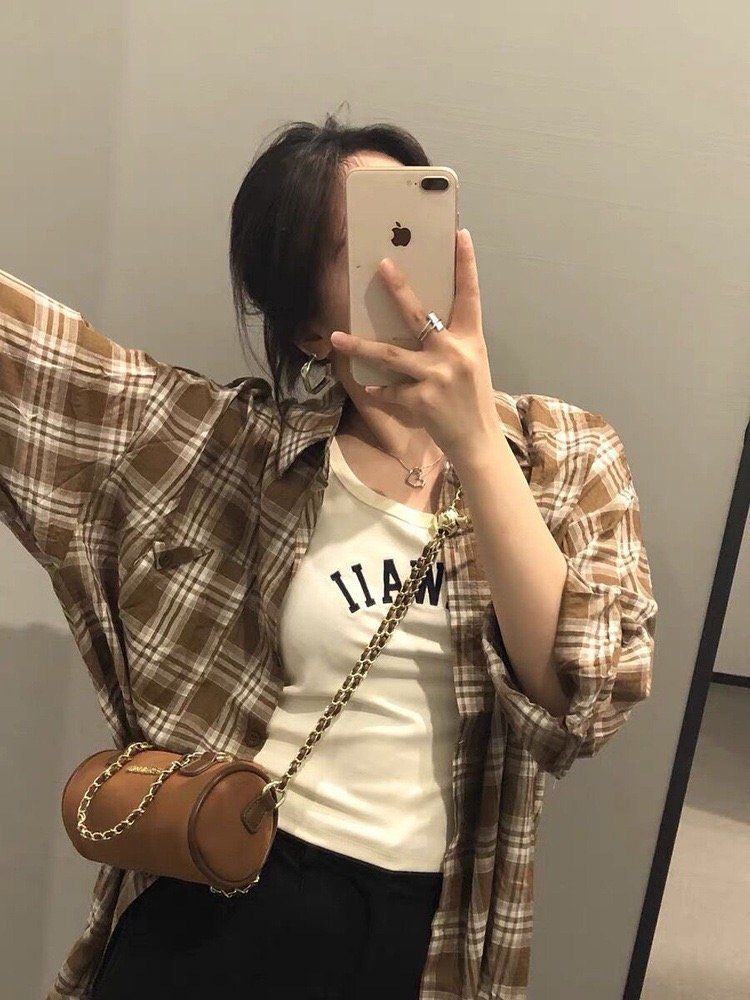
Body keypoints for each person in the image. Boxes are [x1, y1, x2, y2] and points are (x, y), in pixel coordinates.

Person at [0, 112, 658, 1000]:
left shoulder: (569, 458)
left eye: (420, 225)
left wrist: (474, 441)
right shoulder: (229, 452)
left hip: (423, 932)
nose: (406, 267)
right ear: (312, 327)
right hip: (227, 892)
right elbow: (33, 361)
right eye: (370, 245)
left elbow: (584, 698)